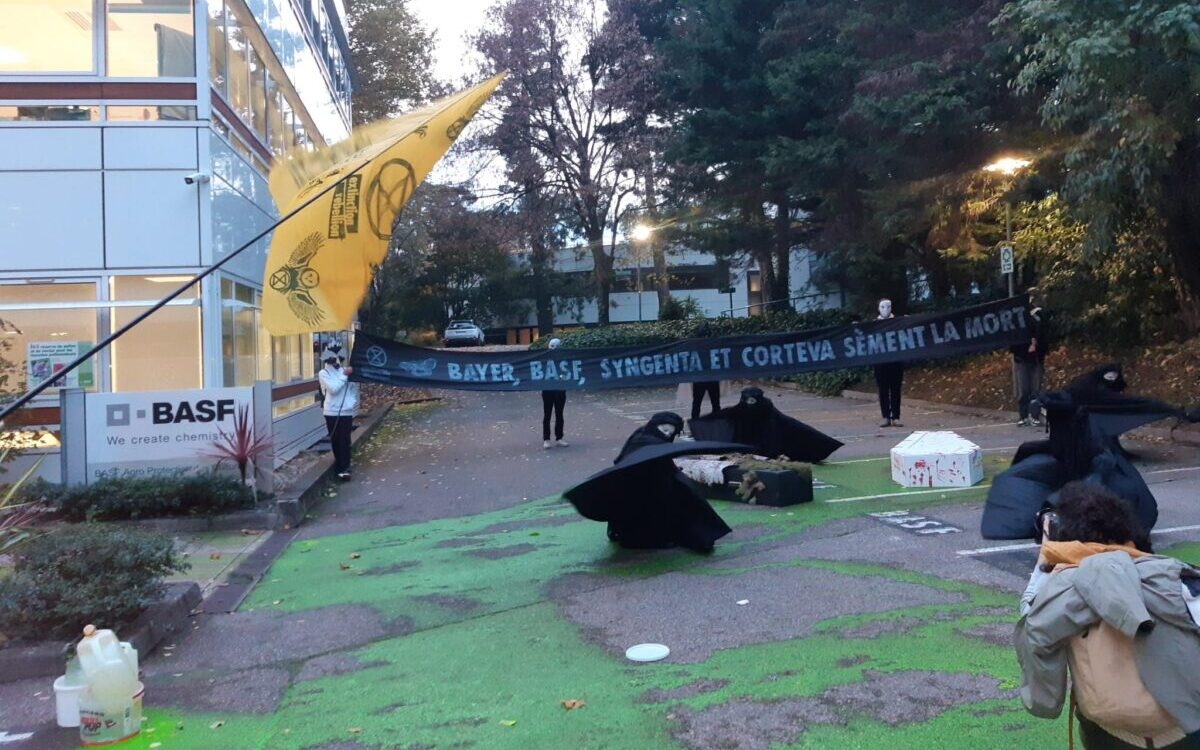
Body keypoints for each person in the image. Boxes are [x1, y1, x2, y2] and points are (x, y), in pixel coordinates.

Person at [1015, 481, 1200, 749]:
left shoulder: (1060, 589)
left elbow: (1031, 618)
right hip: (1183, 728)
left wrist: (1047, 554)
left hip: (1108, 732)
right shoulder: (1172, 577)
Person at [318, 342, 359, 481]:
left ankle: (345, 467)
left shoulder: (344, 370)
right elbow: (333, 389)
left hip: (346, 411)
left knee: (345, 439)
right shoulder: (323, 373)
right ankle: (340, 468)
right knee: (336, 440)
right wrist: (345, 376)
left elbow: (352, 389)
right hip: (332, 412)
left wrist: (351, 403)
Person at [1011, 305, 1047, 426]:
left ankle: (1034, 415)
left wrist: (1037, 345)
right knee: (1024, 389)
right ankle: (1023, 415)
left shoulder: (1039, 316)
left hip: (1036, 359)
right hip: (1022, 359)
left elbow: (1045, 333)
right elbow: (1012, 339)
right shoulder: (1016, 318)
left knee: (1035, 390)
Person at [872, 298, 904, 427]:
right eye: (882, 306)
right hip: (880, 362)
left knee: (896, 389)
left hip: (896, 361)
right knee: (883, 389)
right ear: (878, 308)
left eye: (888, 306)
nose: (886, 309)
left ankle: (896, 417)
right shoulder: (873, 325)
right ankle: (885, 416)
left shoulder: (899, 322)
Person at [541, 337, 568, 449]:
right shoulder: (543, 358)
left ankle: (559, 437)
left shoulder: (564, 359)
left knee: (559, 414)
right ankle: (546, 439)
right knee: (547, 414)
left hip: (560, 389)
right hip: (547, 389)